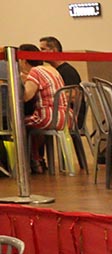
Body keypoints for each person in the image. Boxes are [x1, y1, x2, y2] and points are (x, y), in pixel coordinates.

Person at [18, 43, 66, 174]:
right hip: (64, 117)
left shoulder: (35, 71)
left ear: (23, 60)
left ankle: (32, 161)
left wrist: (22, 81)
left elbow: (26, 97)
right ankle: (39, 159)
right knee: (31, 121)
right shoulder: (51, 69)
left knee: (18, 124)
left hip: (48, 117)